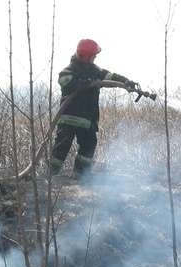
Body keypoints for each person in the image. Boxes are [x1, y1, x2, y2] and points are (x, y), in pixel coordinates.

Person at [51, 39, 140, 177]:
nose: (95, 58)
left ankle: (80, 176)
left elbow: (109, 76)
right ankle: (50, 177)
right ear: (85, 56)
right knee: (61, 148)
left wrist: (125, 81)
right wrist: (86, 83)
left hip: (87, 120)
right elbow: (66, 82)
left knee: (89, 146)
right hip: (69, 118)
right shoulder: (69, 70)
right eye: (93, 55)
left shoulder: (94, 70)